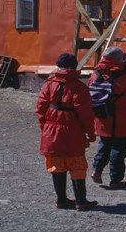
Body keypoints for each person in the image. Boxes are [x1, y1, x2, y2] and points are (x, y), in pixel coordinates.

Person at [35, 53, 98, 211]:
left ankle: (61, 200)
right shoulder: (79, 87)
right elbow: (86, 115)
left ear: (58, 66)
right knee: (77, 165)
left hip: (51, 130)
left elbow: (40, 109)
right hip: (73, 131)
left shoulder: (48, 84)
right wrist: (90, 134)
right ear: (74, 66)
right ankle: (81, 201)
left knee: (57, 165)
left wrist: (45, 128)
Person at [89, 46, 126, 190]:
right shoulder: (124, 77)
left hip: (102, 117)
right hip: (121, 119)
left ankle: (96, 170)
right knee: (119, 150)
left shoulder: (95, 74)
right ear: (118, 60)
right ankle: (116, 180)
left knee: (104, 145)